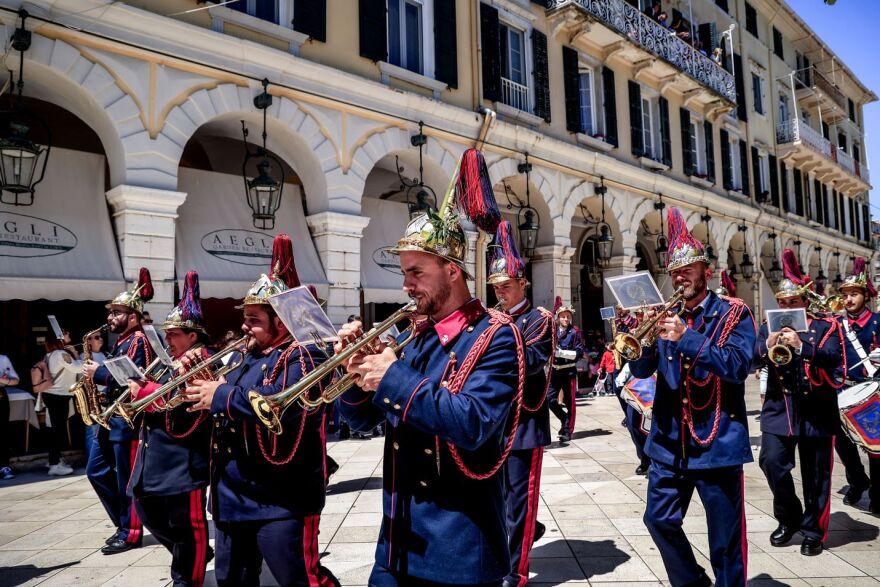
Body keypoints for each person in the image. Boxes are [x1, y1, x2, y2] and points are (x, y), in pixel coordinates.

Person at [337, 148, 523, 586]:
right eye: (404, 273)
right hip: (398, 541)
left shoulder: (495, 335)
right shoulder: (414, 337)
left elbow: (475, 423)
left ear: (452, 271)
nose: (405, 285)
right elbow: (359, 421)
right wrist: (355, 375)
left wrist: (393, 376)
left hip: (457, 549)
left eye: (416, 272)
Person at [183, 235, 339, 587]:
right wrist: (193, 375)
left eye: (253, 320)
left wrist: (220, 393)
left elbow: (280, 401)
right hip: (231, 495)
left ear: (281, 323)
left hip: (283, 498)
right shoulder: (239, 356)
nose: (243, 327)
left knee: (299, 578)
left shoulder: (307, 356)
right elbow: (208, 402)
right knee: (232, 580)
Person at [630, 207, 755, 587]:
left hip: (716, 444)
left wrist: (687, 338)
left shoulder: (733, 314)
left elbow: (736, 366)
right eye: (673, 272)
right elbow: (639, 372)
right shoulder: (666, 315)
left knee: (725, 543)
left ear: (706, 272)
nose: (679, 277)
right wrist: (640, 341)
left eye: (687, 270)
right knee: (658, 519)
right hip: (669, 444)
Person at [127, 271, 214, 587]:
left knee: (187, 525)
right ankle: (192, 555)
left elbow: (175, 398)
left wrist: (143, 391)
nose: (168, 340)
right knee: (145, 509)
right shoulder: (171, 360)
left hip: (183, 457)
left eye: (174, 334)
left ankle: (187, 577)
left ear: (192, 335)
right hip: (155, 453)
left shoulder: (202, 359)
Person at [755, 249, 843, 556]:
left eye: (793, 303)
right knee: (771, 462)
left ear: (805, 303)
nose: (787, 307)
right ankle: (788, 518)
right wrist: (767, 347)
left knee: (816, 476)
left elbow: (834, 358)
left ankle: (813, 531)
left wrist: (801, 344)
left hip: (816, 413)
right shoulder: (768, 328)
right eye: (783, 302)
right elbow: (751, 358)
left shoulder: (827, 326)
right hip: (780, 412)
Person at [488, 221, 554, 587]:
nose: (500, 294)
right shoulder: (491, 320)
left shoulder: (538, 319)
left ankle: (516, 571)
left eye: (507, 287)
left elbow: (527, 362)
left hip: (525, 424)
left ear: (523, 284)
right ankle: (518, 542)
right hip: (492, 423)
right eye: (496, 288)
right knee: (496, 498)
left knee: (519, 499)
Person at [81, 268, 155, 554]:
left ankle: (131, 530)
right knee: (96, 471)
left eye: (116, 312)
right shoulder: (122, 341)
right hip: (111, 418)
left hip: (127, 421)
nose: (110, 317)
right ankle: (123, 523)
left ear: (132, 316)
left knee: (126, 480)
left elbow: (134, 378)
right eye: (110, 312)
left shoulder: (138, 340)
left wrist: (97, 373)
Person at [835, 257, 880, 514]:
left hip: (870, 390)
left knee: (875, 447)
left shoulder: (878, 322)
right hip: (841, 390)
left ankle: (877, 493)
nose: (849, 299)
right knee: (841, 442)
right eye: (846, 295)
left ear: (865, 296)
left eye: (854, 294)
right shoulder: (836, 324)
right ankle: (857, 480)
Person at [42, 334, 81, 476]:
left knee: (54, 428)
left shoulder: (50, 354)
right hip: (59, 396)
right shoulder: (61, 353)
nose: (68, 335)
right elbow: (78, 368)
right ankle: (54, 464)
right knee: (57, 430)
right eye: (65, 333)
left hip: (52, 395)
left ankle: (55, 459)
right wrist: (76, 354)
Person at [547, 299, 584, 442]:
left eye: (568, 316)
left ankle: (568, 430)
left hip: (568, 372)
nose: (566, 319)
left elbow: (579, 352)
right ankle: (564, 418)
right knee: (549, 400)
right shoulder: (552, 331)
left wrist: (561, 353)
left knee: (570, 403)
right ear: (558, 317)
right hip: (554, 372)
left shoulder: (575, 332)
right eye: (563, 316)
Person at [82, 330, 108, 457]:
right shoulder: (86, 356)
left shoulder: (105, 354)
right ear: (89, 342)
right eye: (96, 337)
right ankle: (91, 460)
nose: (100, 339)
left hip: (103, 397)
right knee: (92, 431)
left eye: (100, 337)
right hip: (92, 397)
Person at [0, 354, 19, 480]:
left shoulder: (3, 359)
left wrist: (4, 380)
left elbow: (16, 379)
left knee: (2, 432)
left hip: (0, 395)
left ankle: (4, 466)